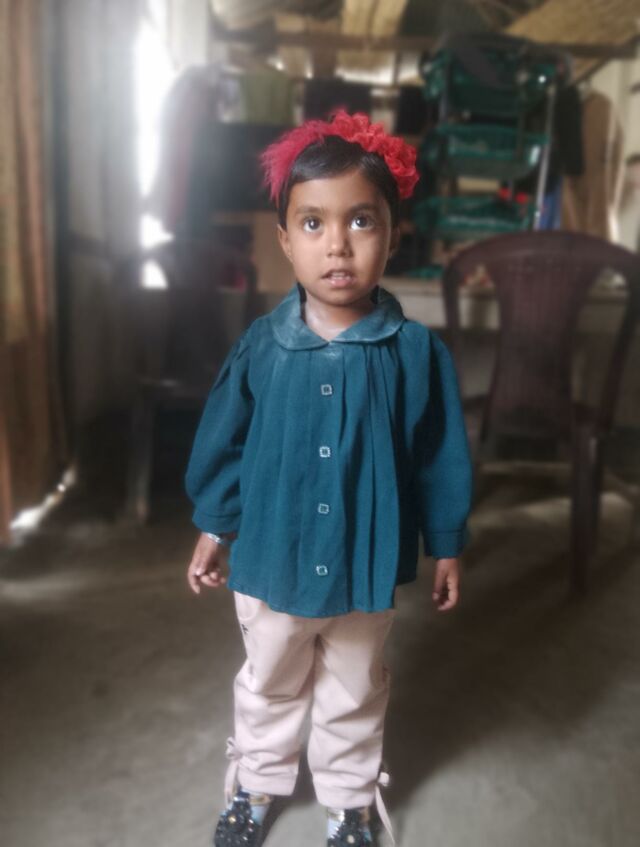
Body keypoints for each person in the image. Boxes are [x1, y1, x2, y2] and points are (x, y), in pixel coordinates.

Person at [185, 111, 473, 847]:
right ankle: (255, 784)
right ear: (285, 239)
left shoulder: (415, 354)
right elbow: (224, 444)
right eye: (313, 223)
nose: (337, 244)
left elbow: (439, 455)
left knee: (354, 686)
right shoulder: (261, 346)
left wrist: (446, 542)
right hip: (271, 559)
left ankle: (348, 799)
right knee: (269, 680)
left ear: (393, 235)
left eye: (361, 221)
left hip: (363, 564)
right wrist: (214, 525)